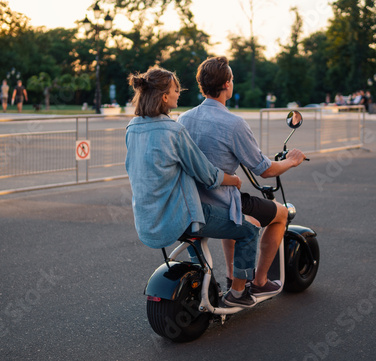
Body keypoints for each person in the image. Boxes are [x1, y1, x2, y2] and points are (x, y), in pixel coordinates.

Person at [125, 66, 263, 308]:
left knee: (196, 238)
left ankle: (203, 284)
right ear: (165, 97)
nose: (180, 95)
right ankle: (239, 293)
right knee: (249, 229)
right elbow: (208, 175)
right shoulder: (173, 130)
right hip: (180, 216)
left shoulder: (132, 128)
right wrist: (234, 180)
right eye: (176, 90)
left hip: (148, 218)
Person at [178, 56, 306, 297]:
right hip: (221, 201)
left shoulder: (183, 119)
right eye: (233, 79)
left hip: (191, 202)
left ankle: (231, 276)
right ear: (227, 84)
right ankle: (259, 280)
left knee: (241, 212)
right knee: (280, 214)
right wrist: (290, 161)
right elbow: (264, 169)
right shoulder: (233, 123)